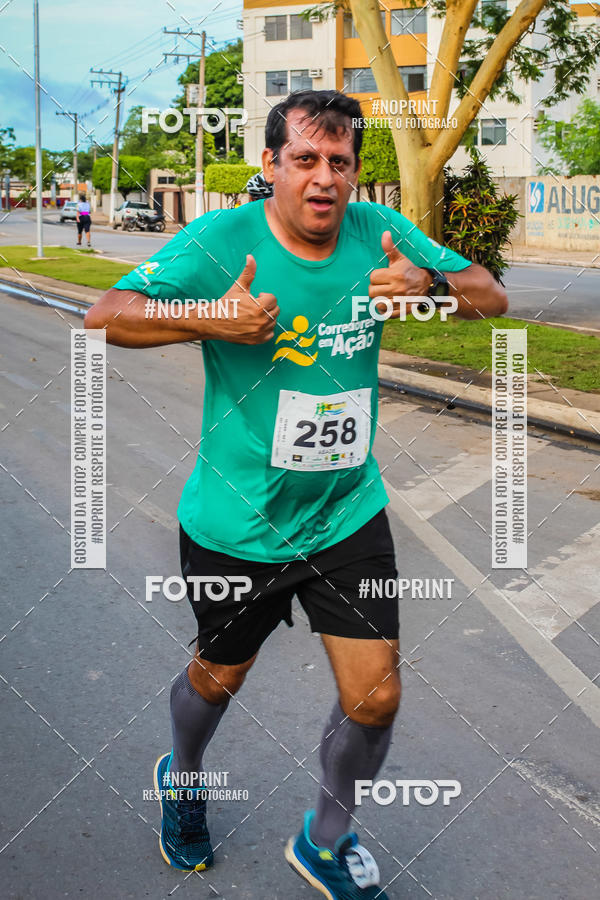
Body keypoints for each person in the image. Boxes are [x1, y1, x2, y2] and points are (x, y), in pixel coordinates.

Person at [85, 89, 507, 898]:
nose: (324, 178)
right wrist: (213, 316)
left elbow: (490, 292)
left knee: (376, 696)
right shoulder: (221, 238)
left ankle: (325, 840)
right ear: (272, 166)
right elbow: (103, 314)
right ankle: (184, 775)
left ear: (354, 172)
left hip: (346, 511)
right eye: (306, 160)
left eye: (340, 162)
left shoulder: (378, 233)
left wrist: (427, 282)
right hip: (239, 524)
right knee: (218, 679)